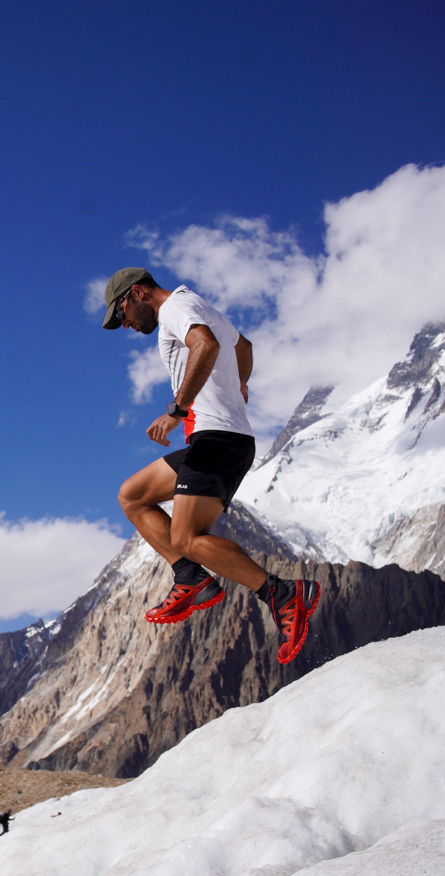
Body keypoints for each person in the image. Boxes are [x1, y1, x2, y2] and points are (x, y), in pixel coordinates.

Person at [100, 267, 318, 665]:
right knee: (132, 495)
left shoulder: (175, 310)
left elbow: (207, 345)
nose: (126, 324)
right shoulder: (196, 304)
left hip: (217, 440)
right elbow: (244, 347)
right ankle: (191, 578)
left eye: (123, 314)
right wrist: (240, 386)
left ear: (137, 294)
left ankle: (284, 594)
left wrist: (176, 410)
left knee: (185, 538)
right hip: (216, 438)